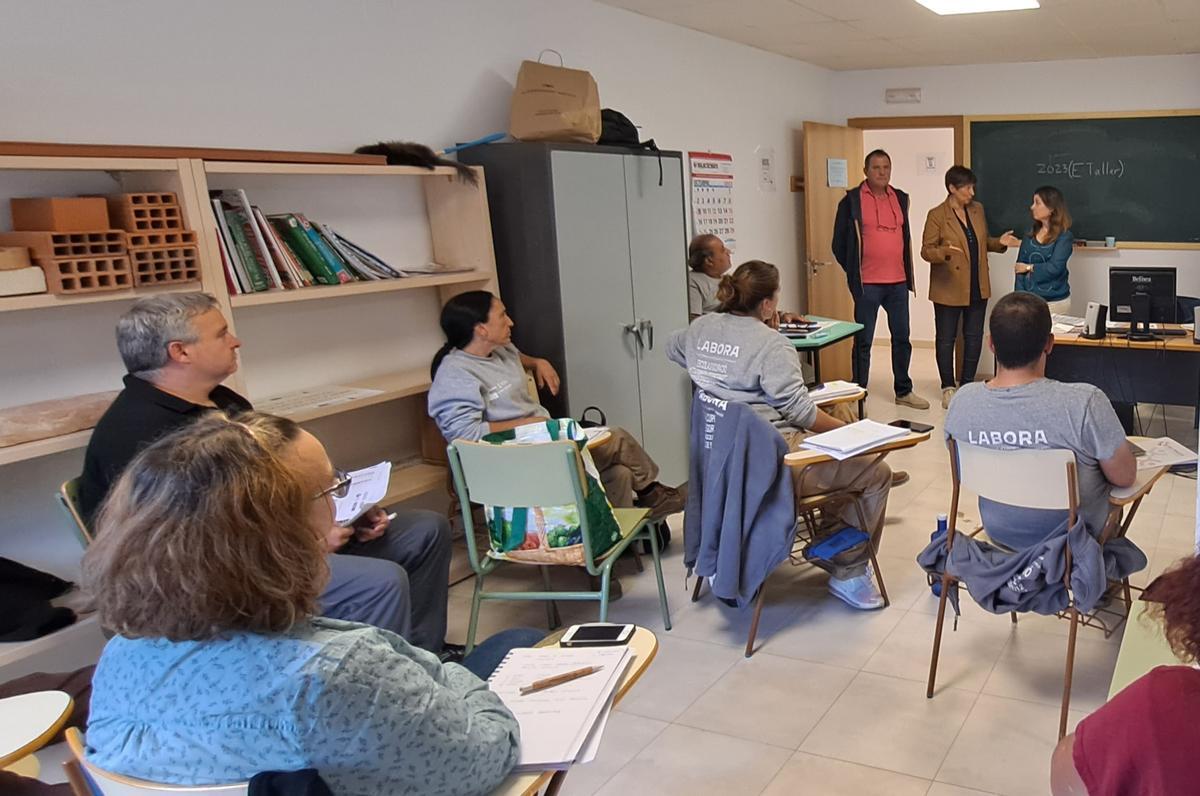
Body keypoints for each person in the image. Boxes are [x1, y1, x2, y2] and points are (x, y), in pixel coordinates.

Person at [82, 412, 539, 794]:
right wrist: (436, 671)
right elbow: (486, 755)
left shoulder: (119, 658)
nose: (339, 508)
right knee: (522, 644)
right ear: (277, 534)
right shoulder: (341, 670)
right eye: (328, 492)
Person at [77, 293, 455, 655]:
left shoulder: (226, 402)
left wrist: (345, 504)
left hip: (287, 541)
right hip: (222, 580)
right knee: (378, 583)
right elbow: (189, 549)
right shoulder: (138, 436)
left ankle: (423, 658)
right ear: (180, 351)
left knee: (424, 530)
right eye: (222, 333)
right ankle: (383, 683)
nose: (236, 341)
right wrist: (306, 542)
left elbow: (283, 477)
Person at [666, 260, 893, 610]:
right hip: (773, 457)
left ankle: (836, 509)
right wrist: (856, 435)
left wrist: (721, 378)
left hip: (719, 454)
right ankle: (846, 571)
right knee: (877, 473)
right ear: (768, 304)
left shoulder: (700, 329)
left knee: (840, 412)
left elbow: (673, 348)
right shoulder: (773, 345)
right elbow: (800, 413)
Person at [428, 290, 685, 518]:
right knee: (615, 438)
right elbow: (465, 436)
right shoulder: (455, 375)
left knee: (619, 474)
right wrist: (528, 424)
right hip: (517, 459)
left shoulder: (501, 350)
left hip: (544, 441)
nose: (511, 322)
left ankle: (613, 546)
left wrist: (538, 362)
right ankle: (654, 493)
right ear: (481, 329)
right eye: (503, 316)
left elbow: (518, 357)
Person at [943, 292, 1135, 550]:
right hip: (1073, 545)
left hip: (999, 535)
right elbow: (1125, 476)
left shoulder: (962, 402)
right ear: (1050, 344)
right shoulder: (1084, 403)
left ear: (991, 345)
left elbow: (961, 464)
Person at [1051, 553, 1200, 795]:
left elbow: (1068, 773)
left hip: (1012, 541)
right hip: (1066, 555)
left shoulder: (1169, 701)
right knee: (1115, 545)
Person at [832, 149, 929, 411]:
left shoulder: (900, 198)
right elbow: (838, 244)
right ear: (866, 171)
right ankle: (858, 392)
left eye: (886, 167)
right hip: (868, 285)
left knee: (902, 338)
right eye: (876, 167)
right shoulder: (851, 201)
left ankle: (904, 390)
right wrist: (855, 270)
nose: (882, 172)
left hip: (897, 282)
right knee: (863, 341)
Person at [921, 165, 1019, 409]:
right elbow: (926, 250)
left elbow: (982, 242)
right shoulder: (937, 215)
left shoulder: (977, 210)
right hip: (948, 286)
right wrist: (943, 252)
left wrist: (1000, 243)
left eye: (972, 187)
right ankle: (947, 387)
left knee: (974, 337)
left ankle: (966, 385)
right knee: (946, 339)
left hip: (976, 284)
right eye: (967, 188)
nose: (972, 193)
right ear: (952, 188)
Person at [1014, 185, 1075, 315]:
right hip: (1029, 303)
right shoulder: (1029, 235)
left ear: (1051, 208)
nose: (1032, 207)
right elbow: (1019, 268)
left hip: (1055, 303)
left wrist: (1029, 268)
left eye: (1037, 203)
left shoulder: (1064, 237)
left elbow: (1055, 268)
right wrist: (1018, 299)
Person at [687, 233, 733, 320]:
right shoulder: (693, 282)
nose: (729, 252)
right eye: (723, 250)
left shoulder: (729, 280)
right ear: (709, 261)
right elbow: (694, 321)